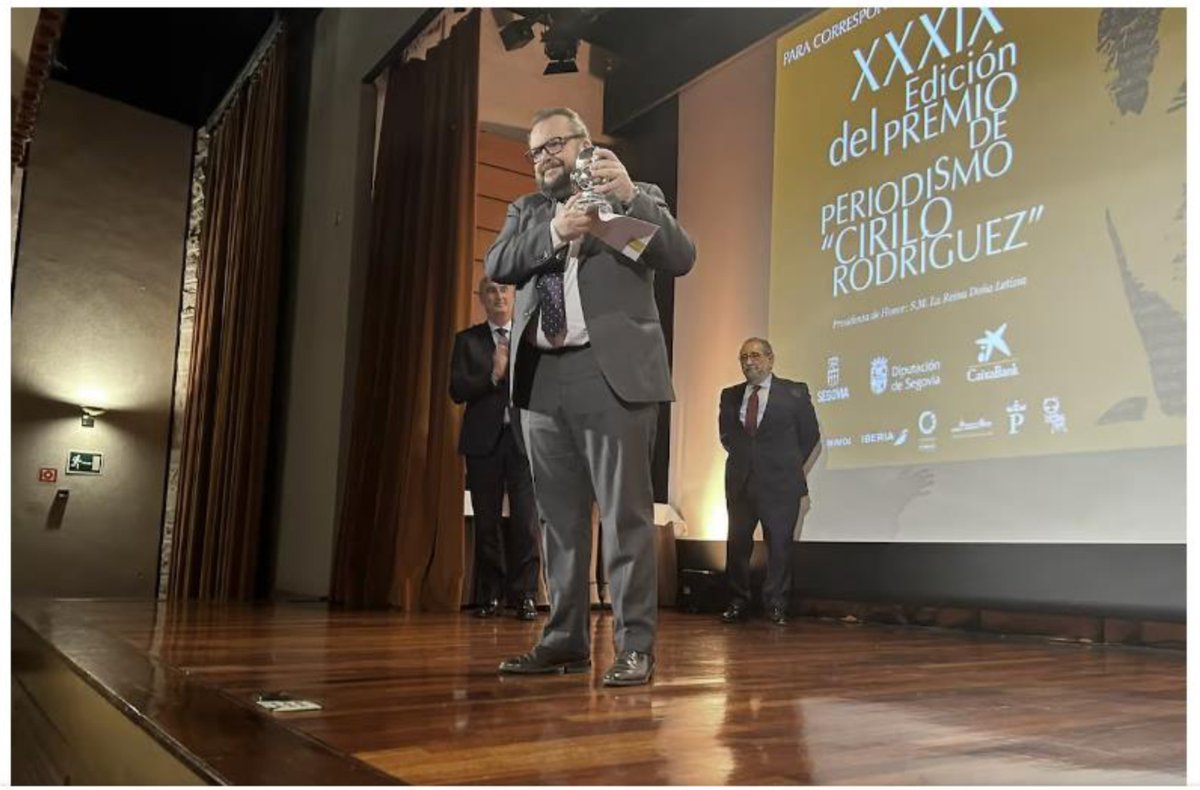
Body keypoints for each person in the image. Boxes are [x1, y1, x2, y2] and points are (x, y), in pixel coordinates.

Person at [485, 107, 696, 686]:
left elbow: (678, 257)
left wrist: (624, 199)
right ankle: (565, 641)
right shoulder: (528, 212)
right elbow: (500, 263)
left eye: (554, 144)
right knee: (558, 520)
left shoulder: (627, 199)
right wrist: (559, 231)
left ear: (584, 145)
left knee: (627, 516)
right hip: (543, 380)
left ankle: (634, 646)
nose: (544, 157)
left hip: (612, 375)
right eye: (535, 152)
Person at [449, 277, 540, 620]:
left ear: (513, 296)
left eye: (504, 290)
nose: (498, 296)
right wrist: (492, 376)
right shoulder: (467, 341)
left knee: (526, 522)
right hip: (483, 443)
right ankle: (489, 595)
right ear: (482, 299)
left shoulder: (531, 340)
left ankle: (525, 595)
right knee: (486, 522)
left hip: (522, 441)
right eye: (491, 291)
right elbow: (456, 389)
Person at [718, 338, 820, 625]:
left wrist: (786, 466)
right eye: (743, 357)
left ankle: (776, 604)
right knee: (737, 545)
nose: (749, 362)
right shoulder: (730, 395)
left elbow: (810, 435)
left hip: (781, 485)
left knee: (779, 546)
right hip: (741, 483)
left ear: (771, 359)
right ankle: (738, 602)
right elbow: (727, 436)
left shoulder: (794, 392)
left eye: (755, 355)